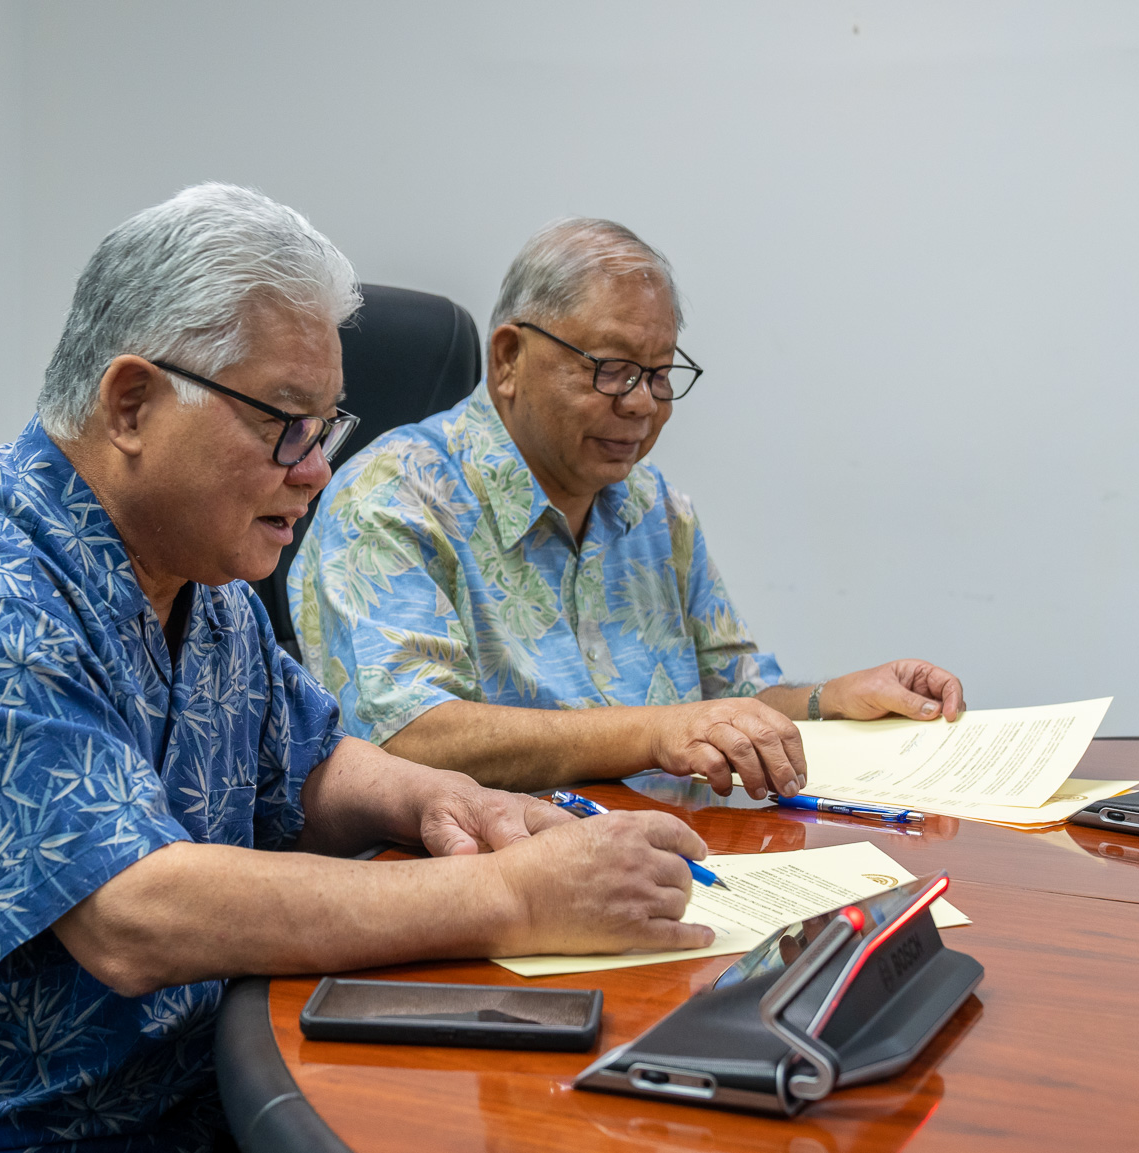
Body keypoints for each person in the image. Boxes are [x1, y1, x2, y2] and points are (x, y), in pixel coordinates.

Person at [0, 186, 715, 1152]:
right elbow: (135, 914)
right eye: (282, 423)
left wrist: (460, 804)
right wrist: (509, 895)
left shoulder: (202, 578)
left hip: (172, 1106)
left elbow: (307, 766)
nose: (314, 469)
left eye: (326, 428)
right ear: (131, 403)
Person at [291, 218, 966, 799]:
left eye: (660, 373)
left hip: (677, 859)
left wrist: (833, 701)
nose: (641, 402)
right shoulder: (391, 496)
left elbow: (731, 694)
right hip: (493, 887)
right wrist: (658, 730)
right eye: (611, 368)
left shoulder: (655, 507)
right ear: (508, 359)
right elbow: (408, 738)